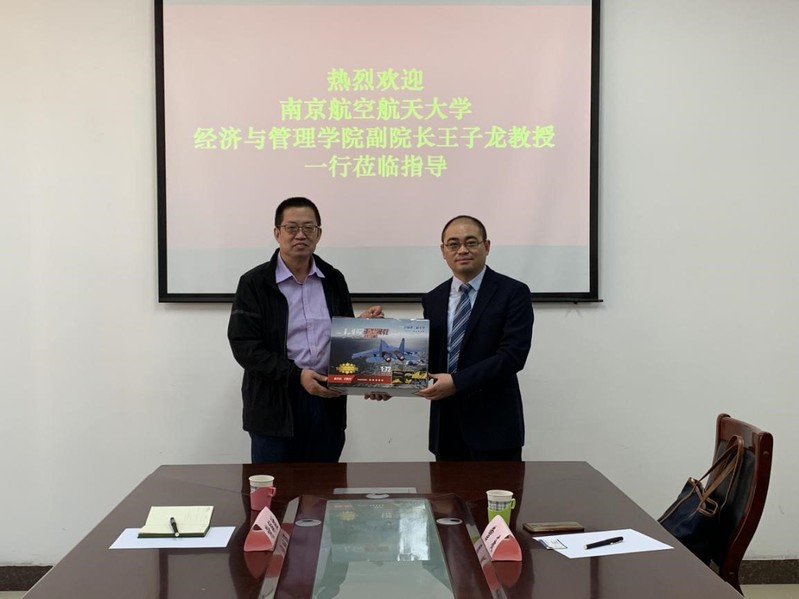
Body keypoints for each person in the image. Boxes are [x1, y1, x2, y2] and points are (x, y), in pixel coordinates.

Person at [227, 197, 382, 463]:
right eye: (292, 227)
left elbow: (342, 337)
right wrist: (296, 375)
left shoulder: (333, 279)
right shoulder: (254, 283)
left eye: (309, 228)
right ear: (277, 233)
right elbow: (244, 346)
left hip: (326, 400)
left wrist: (361, 328)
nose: (301, 235)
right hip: (274, 405)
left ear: (318, 234)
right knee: (273, 487)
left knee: (324, 486)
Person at [417, 215, 533, 461]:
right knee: (445, 488)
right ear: (443, 251)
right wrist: (386, 383)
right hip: (446, 428)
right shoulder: (433, 299)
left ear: (486, 246)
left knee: (500, 489)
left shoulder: (513, 292)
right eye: (453, 244)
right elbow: (428, 359)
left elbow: (513, 356)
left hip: (495, 428)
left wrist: (457, 382)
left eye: (471, 242)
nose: (462, 250)